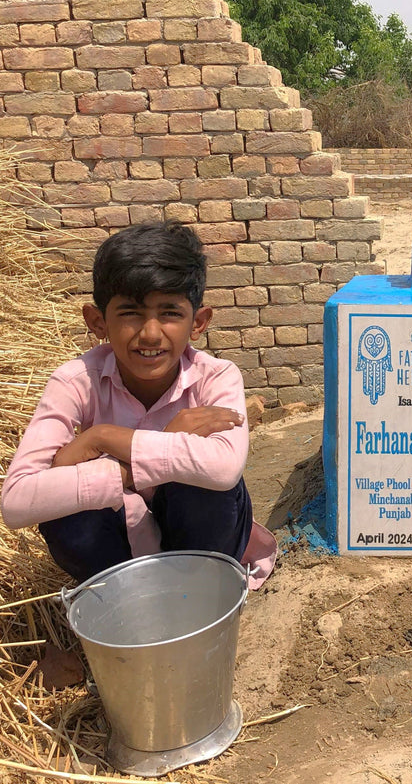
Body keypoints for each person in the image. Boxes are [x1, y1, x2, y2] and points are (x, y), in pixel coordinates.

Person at [2, 221, 276, 589]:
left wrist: (103, 439)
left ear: (198, 322)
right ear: (98, 321)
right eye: (130, 312)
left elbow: (224, 470)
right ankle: (131, 604)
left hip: (201, 548)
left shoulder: (215, 376)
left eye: (170, 313)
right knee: (67, 517)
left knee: (203, 487)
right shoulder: (75, 381)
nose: (150, 332)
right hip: (120, 560)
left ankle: (197, 598)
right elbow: (17, 501)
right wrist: (150, 455)